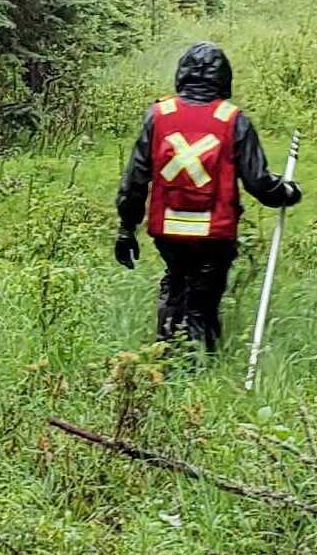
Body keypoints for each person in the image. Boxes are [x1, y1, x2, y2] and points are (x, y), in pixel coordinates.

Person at [114, 40, 302, 357]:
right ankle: (199, 368)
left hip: (168, 232)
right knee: (203, 301)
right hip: (214, 235)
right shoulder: (232, 119)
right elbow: (259, 182)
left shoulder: (159, 114)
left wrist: (125, 228)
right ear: (223, 79)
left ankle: (164, 363)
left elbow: (135, 178)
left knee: (175, 287)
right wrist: (286, 192)